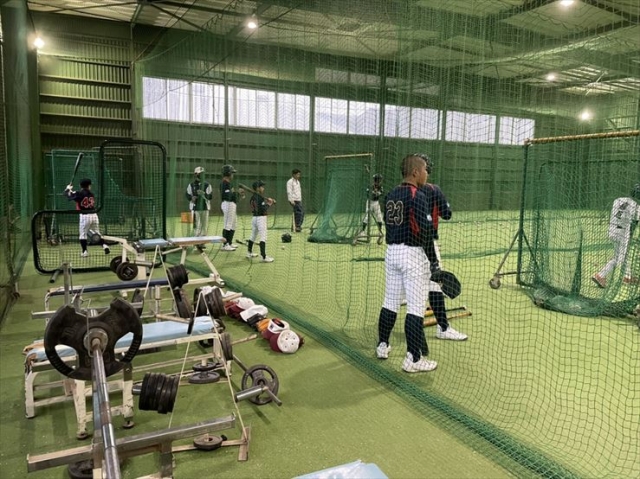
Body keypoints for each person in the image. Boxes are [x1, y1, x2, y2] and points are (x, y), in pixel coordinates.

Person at [375, 153, 437, 373]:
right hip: (412, 255)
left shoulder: (391, 194)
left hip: (392, 253)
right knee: (416, 308)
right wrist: (434, 263)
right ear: (415, 172)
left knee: (390, 302)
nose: (426, 173)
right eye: (425, 170)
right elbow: (426, 232)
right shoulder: (417, 195)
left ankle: (382, 345)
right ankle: (413, 359)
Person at [422, 181, 467, 341]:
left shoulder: (401, 190)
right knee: (435, 284)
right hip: (428, 242)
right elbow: (447, 214)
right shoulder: (433, 189)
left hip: (403, 247)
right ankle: (443, 328)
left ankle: (383, 342)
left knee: (395, 296)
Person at [592, 184, 640, 288]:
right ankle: (600, 275)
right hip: (622, 233)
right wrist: (630, 237)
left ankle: (628, 276)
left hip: (612, 230)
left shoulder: (618, 200)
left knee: (623, 255)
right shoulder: (636, 207)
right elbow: (634, 223)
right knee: (619, 259)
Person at [65, 178, 110, 257]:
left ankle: (84, 251)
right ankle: (104, 245)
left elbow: (69, 196)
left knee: (83, 234)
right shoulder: (91, 194)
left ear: (80, 185)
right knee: (96, 232)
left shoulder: (79, 193)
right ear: (89, 185)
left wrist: (67, 189)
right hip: (94, 215)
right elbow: (75, 195)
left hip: (85, 216)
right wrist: (70, 190)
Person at [246, 180, 276, 263]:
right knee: (263, 237)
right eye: (261, 187)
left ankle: (249, 252)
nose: (263, 188)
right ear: (257, 188)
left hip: (254, 218)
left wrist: (267, 202)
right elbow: (263, 209)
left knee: (253, 235)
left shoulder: (253, 197)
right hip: (261, 219)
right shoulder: (260, 198)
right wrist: (269, 204)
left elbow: (259, 206)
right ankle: (264, 257)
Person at [186, 166, 213, 251]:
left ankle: (202, 243)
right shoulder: (191, 185)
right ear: (195, 174)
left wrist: (204, 194)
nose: (202, 175)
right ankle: (196, 243)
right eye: (200, 174)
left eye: (203, 174)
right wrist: (192, 198)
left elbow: (210, 196)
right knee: (196, 226)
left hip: (205, 208)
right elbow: (187, 194)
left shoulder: (207, 185)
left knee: (204, 226)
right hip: (195, 208)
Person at [354, 173, 384, 245]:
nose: (380, 181)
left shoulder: (380, 186)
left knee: (379, 217)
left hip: (376, 203)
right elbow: (368, 194)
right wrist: (373, 193)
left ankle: (380, 232)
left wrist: (377, 193)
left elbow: (381, 193)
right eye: (379, 180)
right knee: (367, 217)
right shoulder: (370, 186)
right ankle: (362, 231)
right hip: (370, 202)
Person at [219, 164, 245, 251]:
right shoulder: (224, 183)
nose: (233, 175)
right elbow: (227, 196)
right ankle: (225, 244)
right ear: (228, 173)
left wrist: (239, 194)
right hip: (227, 204)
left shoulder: (230, 184)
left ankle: (229, 242)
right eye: (232, 173)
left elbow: (233, 197)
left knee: (234, 224)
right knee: (228, 224)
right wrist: (237, 193)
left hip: (232, 204)